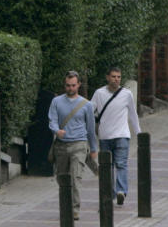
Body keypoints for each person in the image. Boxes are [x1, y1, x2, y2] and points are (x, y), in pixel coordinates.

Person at [49, 70, 99, 220]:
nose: (70, 88)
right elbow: (52, 120)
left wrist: (94, 149)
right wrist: (57, 130)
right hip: (61, 146)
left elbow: (91, 129)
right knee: (62, 178)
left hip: (79, 144)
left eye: (73, 85)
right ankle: (65, 206)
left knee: (75, 178)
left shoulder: (86, 105)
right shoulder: (56, 101)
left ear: (78, 85)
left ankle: (75, 209)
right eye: (67, 85)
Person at [91, 66, 141, 206]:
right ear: (107, 77)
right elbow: (89, 110)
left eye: (118, 77)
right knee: (108, 166)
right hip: (105, 136)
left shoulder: (127, 94)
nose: (116, 79)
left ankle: (121, 191)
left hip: (122, 135)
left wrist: (139, 133)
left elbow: (133, 114)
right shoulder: (99, 93)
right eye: (113, 76)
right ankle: (111, 192)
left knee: (121, 163)